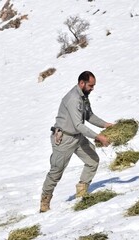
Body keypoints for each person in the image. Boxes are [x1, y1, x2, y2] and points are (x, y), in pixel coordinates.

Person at [40, 71, 113, 213]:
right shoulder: (73, 98)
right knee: (56, 171)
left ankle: (81, 193)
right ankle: (45, 201)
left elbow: (89, 115)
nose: (93, 88)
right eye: (91, 85)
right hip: (64, 139)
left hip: (77, 137)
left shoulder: (84, 96)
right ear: (82, 83)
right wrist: (99, 137)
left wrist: (105, 125)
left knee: (92, 160)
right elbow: (79, 124)